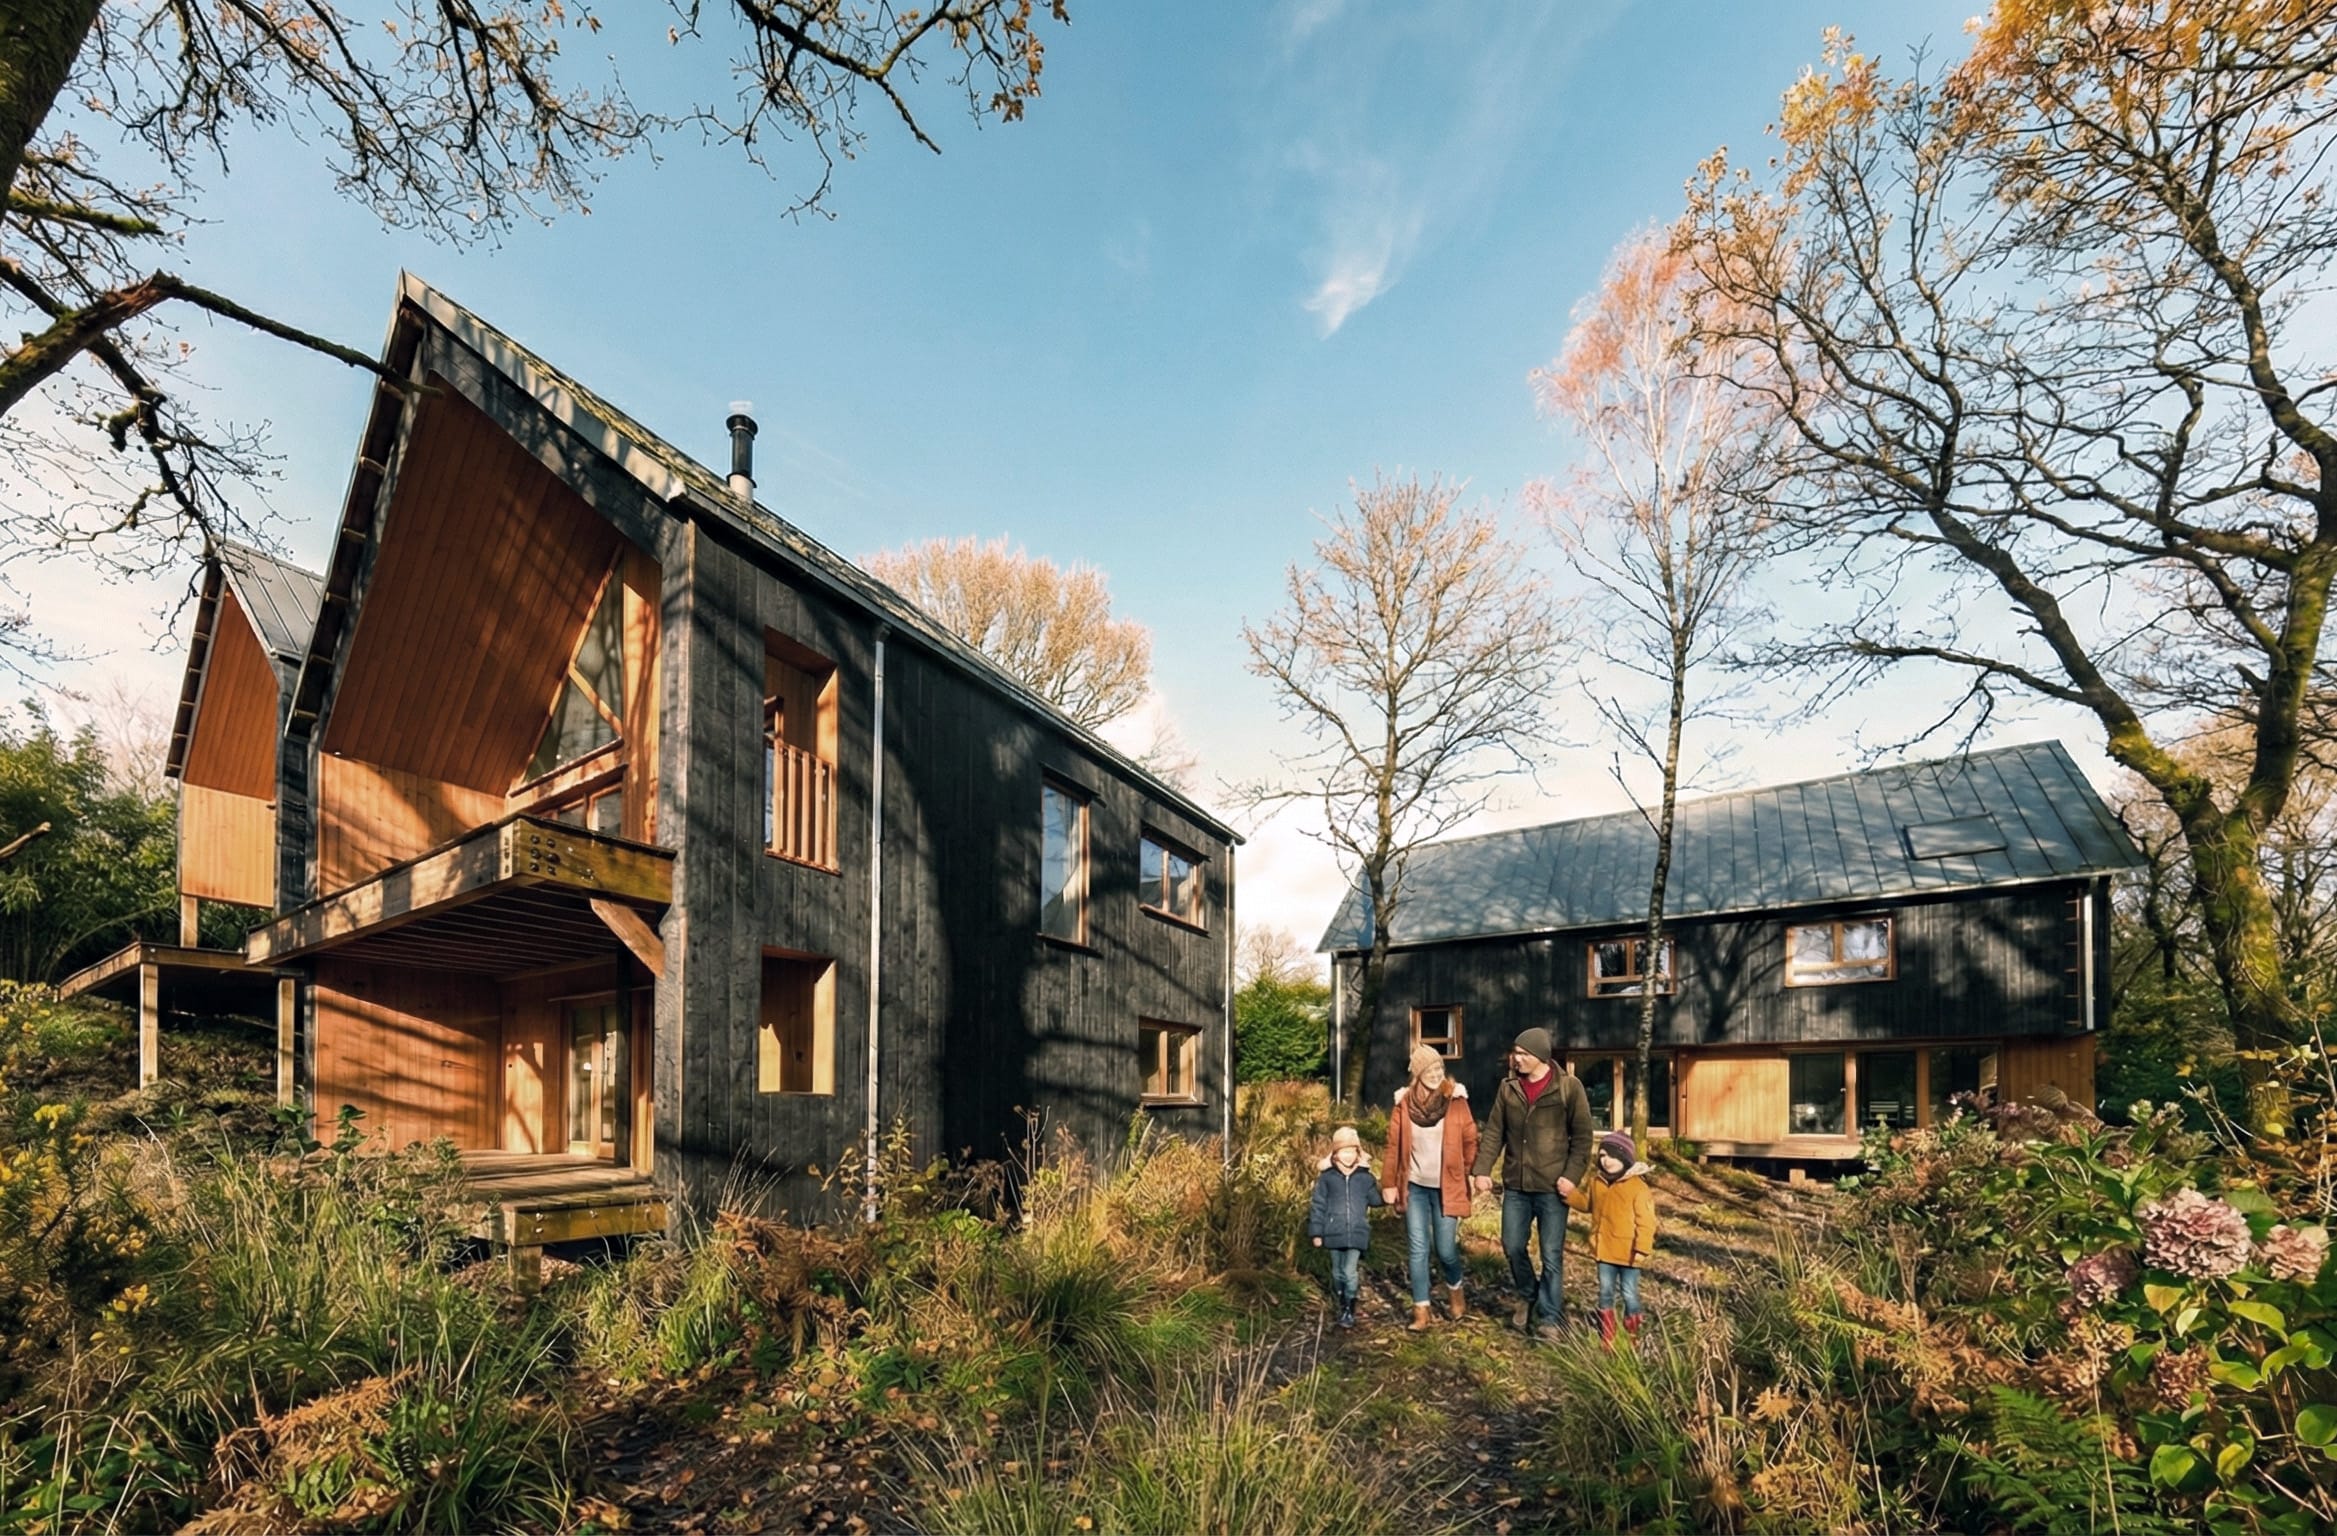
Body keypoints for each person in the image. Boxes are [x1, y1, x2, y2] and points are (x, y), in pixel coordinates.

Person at [1471, 1027, 1595, 1337]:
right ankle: (1528, 1295)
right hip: (1516, 1184)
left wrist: (1571, 1176)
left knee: (1551, 1254)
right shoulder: (1508, 1088)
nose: (1516, 1058)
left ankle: (1550, 1317)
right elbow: (1494, 1132)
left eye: (1523, 1054)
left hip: (1554, 1188)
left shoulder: (1569, 1088)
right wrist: (1482, 1169)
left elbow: (1582, 1138)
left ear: (1540, 1056)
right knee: (1513, 1246)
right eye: (1515, 1052)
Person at [1382, 1043, 1479, 1331]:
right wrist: (1388, 1183)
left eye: (1439, 1068)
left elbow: (1471, 1140)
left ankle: (1455, 1290)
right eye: (1430, 1069)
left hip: (1447, 1186)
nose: (1436, 1073)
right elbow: (1392, 1146)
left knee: (1446, 1248)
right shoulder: (1404, 1105)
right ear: (1418, 1073)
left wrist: (1469, 1172)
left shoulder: (1456, 1100)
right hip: (1415, 1187)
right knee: (1417, 1248)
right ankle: (1421, 1310)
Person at [1566, 1129, 1657, 1348]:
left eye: (1613, 1156)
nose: (1606, 1161)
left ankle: (1633, 1332)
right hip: (1604, 1250)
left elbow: (1647, 1221)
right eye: (1603, 1156)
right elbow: (1588, 1204)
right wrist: (1569, 1194)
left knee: (1629, 1293)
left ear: (1625, 1158)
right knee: (1605, 1292)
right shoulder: (1597, 1182)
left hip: (1629, 1253)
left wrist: (1642, 1249)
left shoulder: (1637, 1187)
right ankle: (1607, 1334)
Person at [1308, 1124, 1384, 1329]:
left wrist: (1387, 1191)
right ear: (1335, 1154)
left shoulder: (1365, 1178)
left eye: (1352, 1151)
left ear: (1358, 1153)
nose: (1348, 1156)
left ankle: (1350, 1307)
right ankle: (1341, 1301)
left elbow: (1375, 1200)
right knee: (1337, 1272)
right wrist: (1316, 1232)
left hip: (1357, 1232)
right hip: (1333, 1231)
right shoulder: (1327, 1178)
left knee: (1350, 1271)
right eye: (1344, 1151)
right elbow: (1318, 1205)